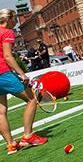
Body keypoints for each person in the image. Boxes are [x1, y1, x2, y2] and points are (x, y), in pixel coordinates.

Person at [0, 9, 48, 155]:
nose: (15, 24)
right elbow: (7, 56)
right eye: (14, 20)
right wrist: (22, 74)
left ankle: (11, 145)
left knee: (1, 111)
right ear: (9, 19)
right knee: (31, 99)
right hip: (3, 73)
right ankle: (28, 136)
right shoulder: (7, 32)